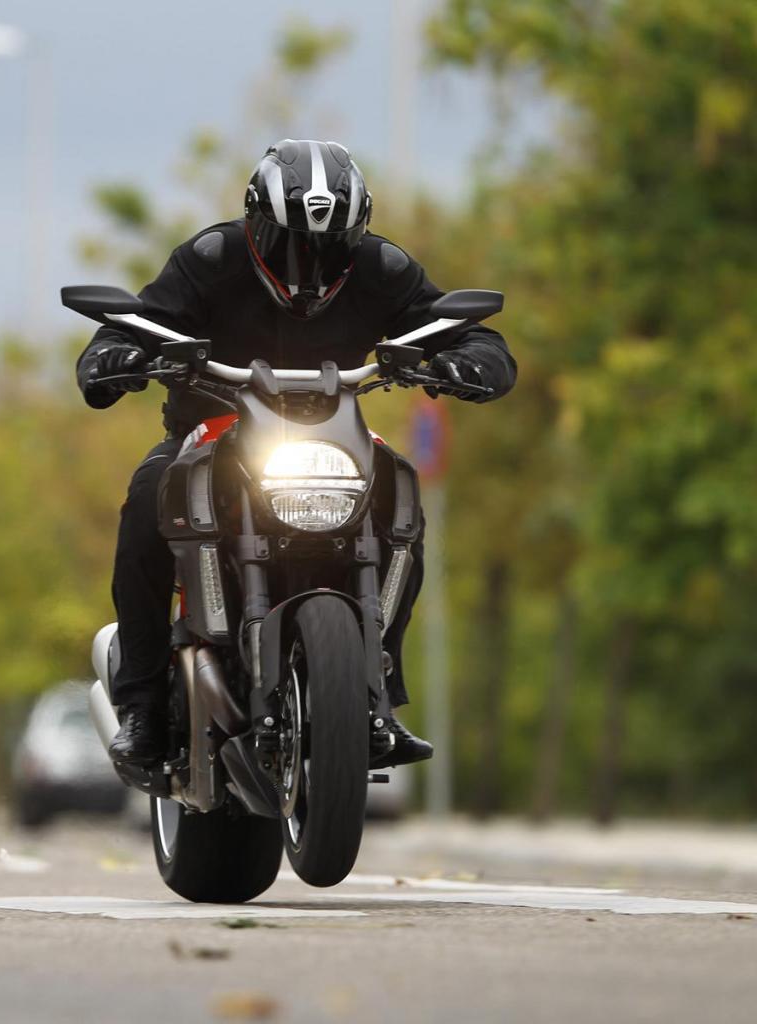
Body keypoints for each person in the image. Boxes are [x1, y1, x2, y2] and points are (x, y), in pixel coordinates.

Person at [77, 139, 516, 768]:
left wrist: (472, 361)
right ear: (255, 221)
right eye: (289, 243)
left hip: (334, 437)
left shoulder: (383, 267)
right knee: (150, 494)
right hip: (210, 428)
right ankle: (142, 703)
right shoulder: (211, 258)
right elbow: (138, 322)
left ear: (357, 234)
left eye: (330, 246)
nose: (307, 264)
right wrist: (114, 355)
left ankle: (376, 692)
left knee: (398, 486)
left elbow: (464, 332)